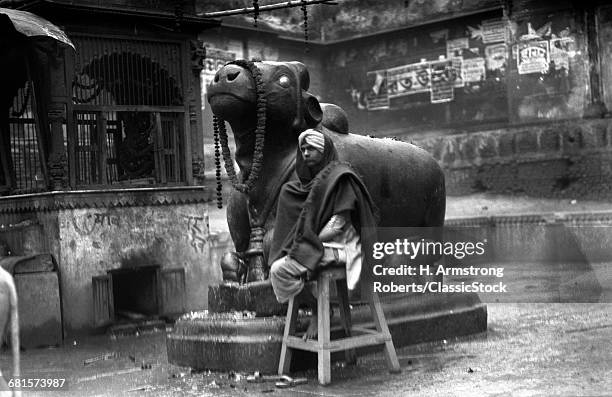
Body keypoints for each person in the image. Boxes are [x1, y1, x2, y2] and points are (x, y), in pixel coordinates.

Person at [269, 129, 377, 339]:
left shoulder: (341, 177)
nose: (306, 153)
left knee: (279, 270)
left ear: (324, 150)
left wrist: (307, 242)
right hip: (319, 247)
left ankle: (319, 311)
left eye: (312, 148)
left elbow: (338, 224)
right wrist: (301, 244)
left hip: (343, 247)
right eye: (303, 149)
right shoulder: (303, 188)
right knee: (282, 263)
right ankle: (319, 307)